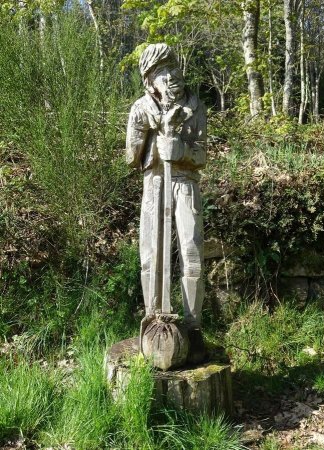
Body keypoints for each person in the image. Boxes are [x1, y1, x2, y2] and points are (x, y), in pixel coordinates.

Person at [126, 43, 207, 361]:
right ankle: (152, 320)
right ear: (149, 81)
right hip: (154, 184)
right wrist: (147, 133)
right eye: (163, 71)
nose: (172, 76)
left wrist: (183, 152)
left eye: (174, 67)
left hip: (185, 185)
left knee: (191, 250)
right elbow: (130, 157)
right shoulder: (139, 108)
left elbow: (202, 153)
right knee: (151, 254)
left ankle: (193, 326)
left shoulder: (195, 106)